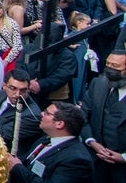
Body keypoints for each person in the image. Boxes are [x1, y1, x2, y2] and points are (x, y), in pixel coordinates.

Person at [8, 102, 95, 183]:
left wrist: (18, 168)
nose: (41, 113)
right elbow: (27, 163)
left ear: (59, 124)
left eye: (47, 113)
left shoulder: (77, 160)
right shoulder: (45, 139)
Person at [80, 49, 126, 183]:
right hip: (96, 162)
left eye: (116, 67)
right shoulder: (98, 84)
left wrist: (123, 157)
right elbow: (83, 115)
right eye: (108, 65)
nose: (110, 69)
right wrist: (91, 141)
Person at [0, 68, 44, 158]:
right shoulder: (2, 94)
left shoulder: (32, 115)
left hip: (5, 157)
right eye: (13, 88)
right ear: (4, 85)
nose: (17, 94)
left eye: (23, 90)